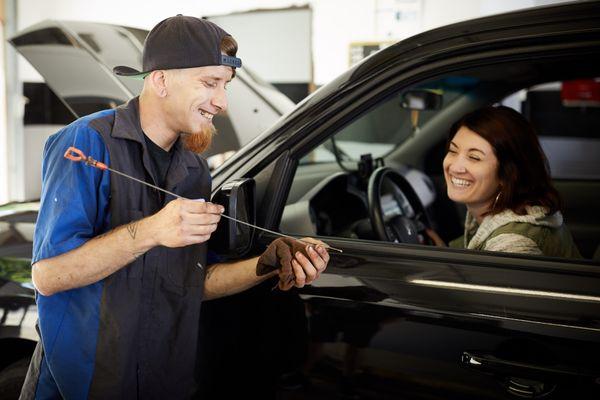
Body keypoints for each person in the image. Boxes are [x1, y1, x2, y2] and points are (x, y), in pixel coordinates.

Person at [20, 15, 330, 400]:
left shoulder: (193, 169)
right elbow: (48, 277)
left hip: (163, 382)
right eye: (209, 83)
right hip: (81, 386)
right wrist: (151, 230)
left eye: (226, 85)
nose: (222, 102)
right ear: (161, 80)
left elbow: (189, 284)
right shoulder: (88, 143)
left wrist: (265, 265)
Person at [429, 105, 581, 258]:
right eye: (453, 151)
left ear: (507, 174)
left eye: (474, 157)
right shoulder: (515, 210)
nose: (455, 167)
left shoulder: (511, 246)